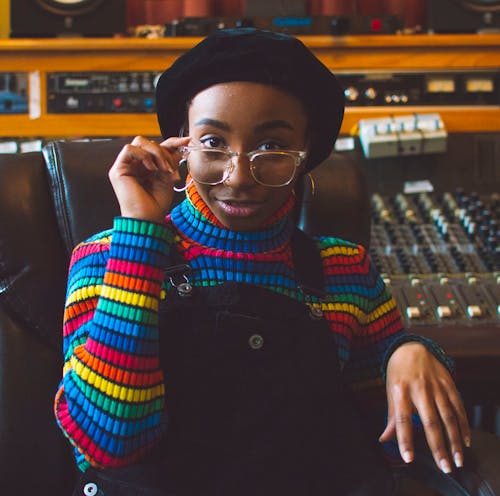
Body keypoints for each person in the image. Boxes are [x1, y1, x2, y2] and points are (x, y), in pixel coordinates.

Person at [55, 28, 470, 496]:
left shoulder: (345, 269)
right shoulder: (107, 256)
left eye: (271, 148)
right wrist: (139, 239)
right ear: (181, 145)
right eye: (212, 143)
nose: (238, 176)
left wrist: (409, 351)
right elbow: (110, 443)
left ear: (307, 151)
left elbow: (398, 445)